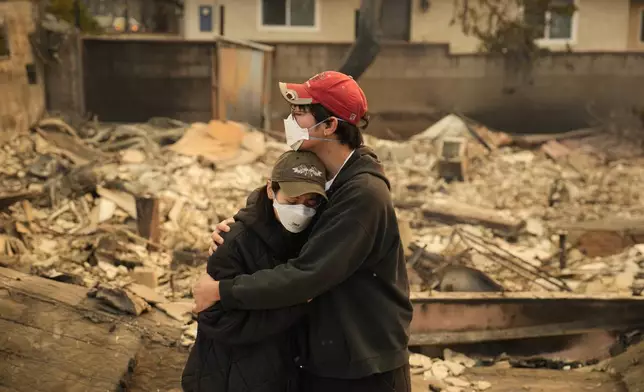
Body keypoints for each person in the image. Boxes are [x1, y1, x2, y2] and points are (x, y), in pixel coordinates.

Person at [193, 71, 413, 392]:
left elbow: (308, 274)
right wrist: (241, 226)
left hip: (364, 363)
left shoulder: (362, 193)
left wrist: (223, 292)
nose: (290, 119)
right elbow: (278, 194)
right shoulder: (328, 173)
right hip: (329, 351)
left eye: (300, 112)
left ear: (330, 125)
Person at [182, 151, 328, 392]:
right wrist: (297, 305)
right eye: (292, 200)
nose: (301, 210)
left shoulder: (313, 238)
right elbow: (215, 317)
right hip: (228, 377)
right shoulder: (234, 240)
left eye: (310, 202)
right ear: (271, 190)